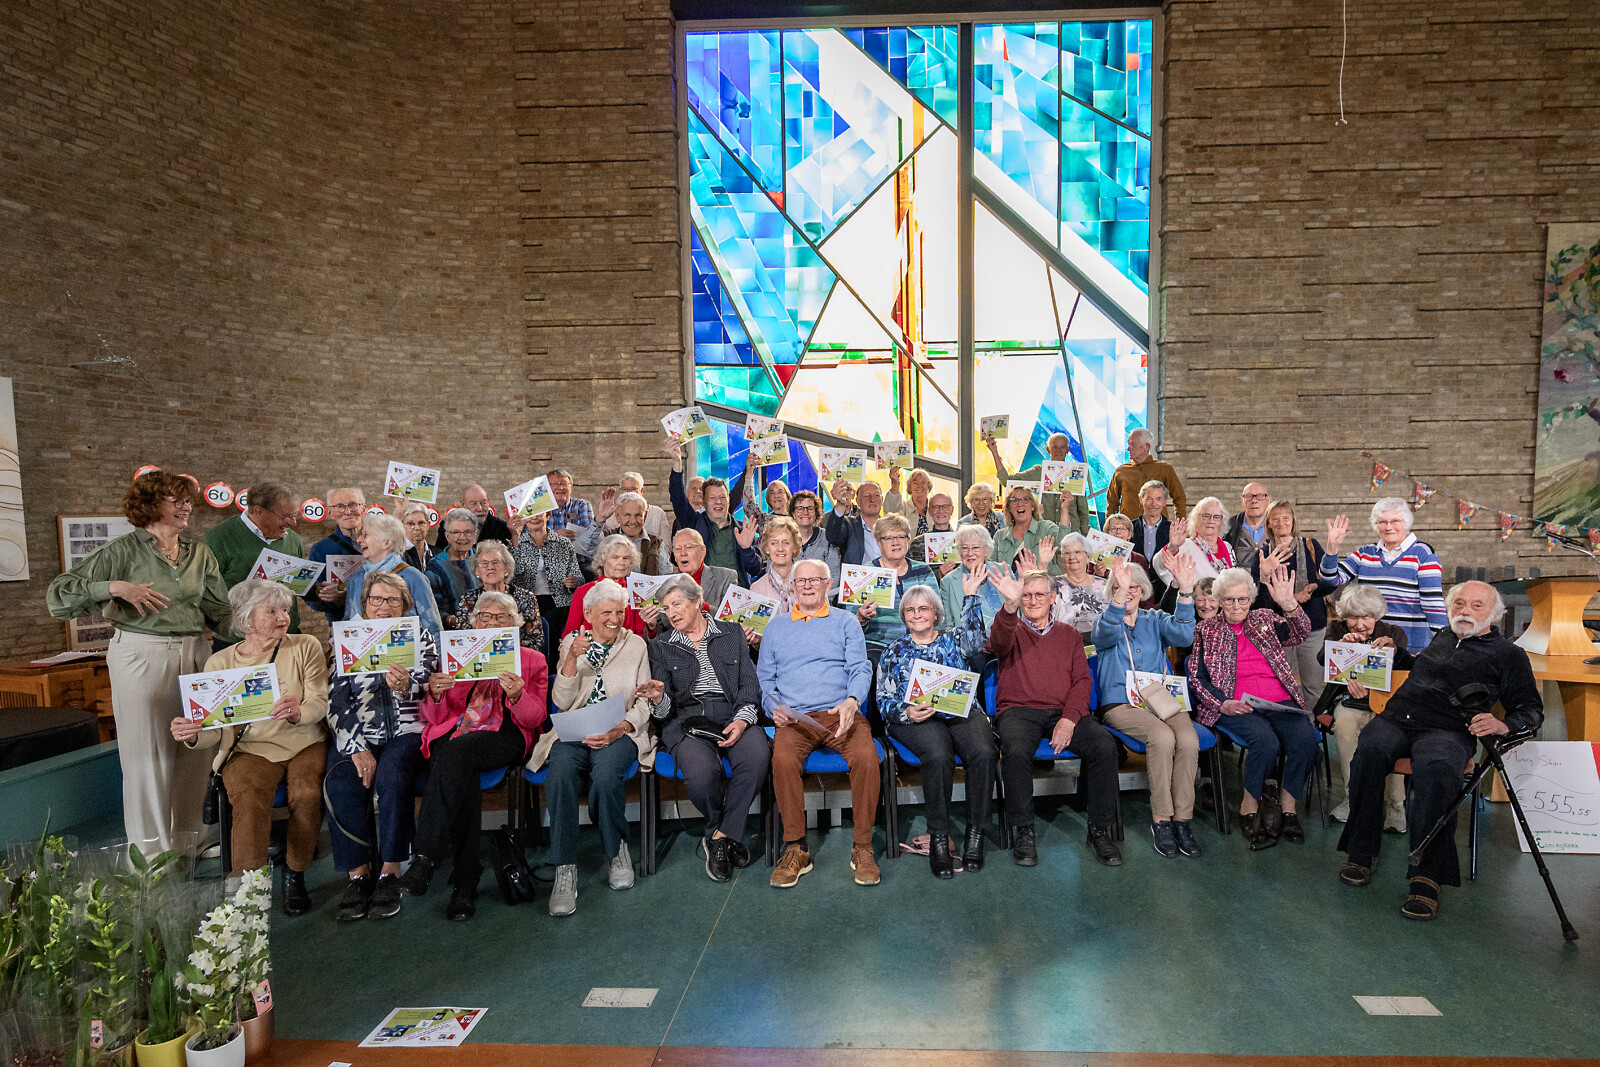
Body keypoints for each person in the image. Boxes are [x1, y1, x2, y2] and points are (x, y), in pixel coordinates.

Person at [47, 471, 231, 853]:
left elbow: (219, 612)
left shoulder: (199, 552)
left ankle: (191, 843)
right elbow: (58, 597)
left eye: (188, 500)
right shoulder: (122, 551)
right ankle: (151, 857)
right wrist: (114, 587)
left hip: (197, 651)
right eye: (176, 500)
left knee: (199, 748)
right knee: (148, 758)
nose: (186, 507)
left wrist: (261, 623)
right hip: (142, 654)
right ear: (150, 505)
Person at [1337, 582, 1542, 921]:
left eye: (1476, 605)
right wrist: (1396, 653)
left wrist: (1503, 724)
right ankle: (1361, 851)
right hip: (1399, 717)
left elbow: (1531, 710)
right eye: (1459, 603)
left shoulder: (1508, 654)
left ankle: (1427, 875)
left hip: (1448, 729)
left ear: (1494, 615)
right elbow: (1422, 671)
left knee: (1436, 768)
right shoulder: (1444, 637)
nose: (1465, 610)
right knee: (1369, 749)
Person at [169, 580, 328, 914]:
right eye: (271, 611)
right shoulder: (219, 663)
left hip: (304, 742)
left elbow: (319, 700)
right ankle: (248, 886)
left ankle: (295, 873)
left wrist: (300, 713)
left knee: (307, 793)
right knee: (250, 797)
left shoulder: (305, 646)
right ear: (246, 619)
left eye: (285, 610)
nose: (283, 618)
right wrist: (194, 734)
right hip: (250, 749)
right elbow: (213, 731)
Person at [399, 591, 548, 920]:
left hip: (504, 733)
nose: (492, 623)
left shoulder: (532, 660)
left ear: (514, 625)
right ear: (474, 622)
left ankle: (426, 858)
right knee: (458, 762)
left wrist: (518, 695)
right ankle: (465, 884)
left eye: (501, 618)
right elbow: (434, 717)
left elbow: (535, 719)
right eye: (485, 616)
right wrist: (435, 693)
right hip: (456, 731)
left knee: (454, 754)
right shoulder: (455, 655)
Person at [986, 567, 1122, 867]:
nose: (1032, 600)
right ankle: (1024, 830)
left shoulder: (1069, 635)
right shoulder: (1011, 628)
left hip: (1063, 712)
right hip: (1019, 711)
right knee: (1016, 751)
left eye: (1039, 595)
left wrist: (1069, 719)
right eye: (1026, 595)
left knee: (1104, 746)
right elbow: (997, 643)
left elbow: (1082, 681)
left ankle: (1100, 829)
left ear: (1053, 597)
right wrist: (1009, 605)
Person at [323, 572, 439, 922]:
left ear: (404, 605)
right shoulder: (348, 638)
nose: (384, 606)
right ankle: (357, 875)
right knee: (340, 781)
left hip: (408, 729)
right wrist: (355, 747)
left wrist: (406, 686)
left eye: (393, 600)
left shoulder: (419, 636)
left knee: (393, 777)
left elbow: (432, 686)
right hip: (358, 732)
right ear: (365, 603)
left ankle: (390, 870)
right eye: (377, 599)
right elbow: (335, 699)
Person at [758, 559, 880, 888]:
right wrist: (774, 707)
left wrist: (852, 700)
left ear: (828, 584)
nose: (808, 586)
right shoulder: (776, 627)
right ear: (792, 587)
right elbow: (765, 681)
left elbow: (861, 668)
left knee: (866, 757)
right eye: (801, 581)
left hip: (840, 712)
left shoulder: (846, 622)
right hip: (795, 717)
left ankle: (863, 846)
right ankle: (796, 848)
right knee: (783, 760)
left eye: (815, 580)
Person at [537, 579, 655, 916]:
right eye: (606, 613)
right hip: (575, 730)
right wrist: (571, 660)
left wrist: (619, 729)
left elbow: (644, 702)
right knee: (559, 775)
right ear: (588, 614)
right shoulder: (571, 643)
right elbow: (561, 701)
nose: (614, 619)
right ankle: (564, 867)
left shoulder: (636, 645)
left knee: (605, 776)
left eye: (619, 612)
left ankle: (616, 850)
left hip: (620, 730)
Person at [642, 575, 770, 881]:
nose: (671, 613)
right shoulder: (660, 645)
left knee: (757, 756)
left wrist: (742, 720)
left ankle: (720, 837)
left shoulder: (732, 632)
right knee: (702, 774)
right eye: (666, 608)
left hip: (732, 713)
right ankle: (720, 832)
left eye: (677, 604)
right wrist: (658, 698)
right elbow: (664, 712)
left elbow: (748, 686)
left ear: (697, 601)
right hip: (687, 721)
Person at [1187, 565, 1317, 850]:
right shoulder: (1206, 629)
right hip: (1235, 703)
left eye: (1243, 599)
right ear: (1219, 600)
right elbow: (1196, 678)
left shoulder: (1265, 618)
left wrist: (1289, 605)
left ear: (1251, 599)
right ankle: (1249, 805)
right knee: (1265, 742)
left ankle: (1288, 808)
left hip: (1278, 700)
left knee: (1305, 740)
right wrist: (1222, 703)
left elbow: (1300, 633)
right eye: (1229, 599)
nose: (1237, 606)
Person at [876, 579, 994, 877]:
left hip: (960, 712)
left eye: (923, 609)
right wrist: (907, 712)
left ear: (936, 613)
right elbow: (883, 700)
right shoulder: (893, 650)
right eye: (910, 610)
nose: (917, 614)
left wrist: (970, 595)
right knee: (939, 755)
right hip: (917, 718)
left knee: (983, 752)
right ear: (904, 616)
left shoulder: (955, 639)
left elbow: (976, 641)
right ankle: (939, 838)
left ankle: (975, 835)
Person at [1092, 558, 1202, 858]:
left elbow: (1184, 635)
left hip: (1160, 699)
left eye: (1133, 587)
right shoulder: (1104, 620)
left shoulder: (1155, 619)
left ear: (1142, 591)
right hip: (1121, 703)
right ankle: (1162, 820)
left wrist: (1185, 591)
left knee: (1189, 740)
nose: (1127, 592)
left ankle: (1182, 819)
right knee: (1162, 737)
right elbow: (1104, 635)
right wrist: (1118, 596)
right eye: (1119, 587)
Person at [1319, 585, 1413, 828]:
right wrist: (1340, 645)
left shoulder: (1393, 633)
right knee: (1345, 725)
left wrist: (1394, 651)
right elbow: (1322, 660)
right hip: (1349, 701)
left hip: (1386, 704)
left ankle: (1395, 803)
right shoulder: (1337, 629)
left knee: (1389, 735)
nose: (1359, 624)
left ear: (1377, 616)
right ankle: (1353, 798)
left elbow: (1406, 671)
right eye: (1353, 617)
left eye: (1367, 617)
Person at [1318, 497, 1446, 653]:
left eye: (1395, 521)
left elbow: (1432, 603)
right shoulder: (1366, 553)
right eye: (1382, 522)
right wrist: (1332, 548)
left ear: (1406, 523)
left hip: (1410, 644)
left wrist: (1445, 644)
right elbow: (1330, 579)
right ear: (1376, 525)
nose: (1388, 527)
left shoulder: (1423, 553)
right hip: (1371, 643)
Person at [1248, 499, 1336, 703]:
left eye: (1285, 518)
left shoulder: (1311, 546)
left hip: (1312, 626)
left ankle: (1314, 721)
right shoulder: (1262, 555)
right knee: (1282, 685)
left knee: (1314, 686)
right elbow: (1257, 604)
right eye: (1275, 519)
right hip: (1279, 630)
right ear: (1268, 524)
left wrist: (1315, 587)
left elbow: (1330, 584)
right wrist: (1285, 596)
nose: (1281, 523)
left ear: (1293, 521)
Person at [205, 481, 304, 643]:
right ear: (259, 511)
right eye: (286, 516)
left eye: (294, 515)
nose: (293, 523)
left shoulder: (293, 539)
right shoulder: (220, 537)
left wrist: (319, 591)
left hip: (285, 636)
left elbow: (300, 585)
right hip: (240, 640)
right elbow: (205, 592)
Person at [664, 438, 762, 582]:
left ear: (728, 501)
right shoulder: (694, 523)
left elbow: (755, 569)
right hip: (702, 591)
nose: (718, 502)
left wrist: (746, 548)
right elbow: (677, 497)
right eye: (712, 498)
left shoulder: (743, 530)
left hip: (736, 591)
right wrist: (677, 462)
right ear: (704, 502)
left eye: (722, 497)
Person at [343, 512, 443, 637]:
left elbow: (433, 628)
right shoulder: (356, 580)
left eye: (365, 535)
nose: (359, 540)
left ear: (386, 543)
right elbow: (348, 622)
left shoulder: (414, 578)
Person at [851, 514, 940, 654]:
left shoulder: (922, 571)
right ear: (879, 544)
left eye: (900, 537)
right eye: (888, 538)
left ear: (908, 540)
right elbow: (851, 625)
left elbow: (937, 613)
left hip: (920, 644)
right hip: (878, 646)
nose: (895, 543)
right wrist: (861, 619)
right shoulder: (865, 574)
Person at [984, 432, 1091, 534]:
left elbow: (1083, 511)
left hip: (1070, 535)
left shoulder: (1076, 474)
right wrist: (994, 452)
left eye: (1062, 447)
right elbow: (1006, 481)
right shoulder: (1038, 472)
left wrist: (1084, 536)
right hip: (1045, 535)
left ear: (1068, 450)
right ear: (1048, 450)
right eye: (1055, 447)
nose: (1058, 450)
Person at [508, 509, 584, 643]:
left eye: (538, 514)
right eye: (529, 515)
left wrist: (574, 581)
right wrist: (515, 536)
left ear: (547, 516)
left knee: (549, 623)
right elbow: (514, 576)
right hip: (527, 601)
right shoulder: (516, 543)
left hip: (559, 601)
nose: (534, 518)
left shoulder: (564, 543)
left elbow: (579, 577)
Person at [456, 540, 544, 653]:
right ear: (476, 571)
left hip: (516, 656)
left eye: (496, 562)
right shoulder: (468, 599)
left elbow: (534, 639)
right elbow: (463, 637)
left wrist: (506, 653)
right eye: (484, 563)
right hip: (478, 657)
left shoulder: (526, 598)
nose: (490, 567)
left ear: (507, 568)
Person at [564, 534, 648, 639]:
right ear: (602, 561)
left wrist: (651, 626)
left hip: (626, 647)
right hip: (589, 647)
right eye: (615, 557)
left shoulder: (636, 592)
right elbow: (570, 632)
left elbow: (641, 635)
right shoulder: (583, 591)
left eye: (626, 558)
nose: (621, 563)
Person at [1025, 533, 1108, 635]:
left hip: (1099, 641)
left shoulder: (1104, 585)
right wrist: (1043, 564)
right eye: (1067, 553)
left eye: (1077, 552)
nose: (1072, 557)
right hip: (1062, 640)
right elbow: (1036, 598)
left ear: (1088, 557)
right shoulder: (1054, 584)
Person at [306, 487, 367, 622]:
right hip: (341, 623)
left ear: (363, 509)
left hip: (382, 621)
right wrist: (325, 597)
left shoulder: (382, 542)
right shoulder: (320, 550)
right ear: (330, 513)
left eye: (353, 505)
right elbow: (312, 599)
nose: (348, 512)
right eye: (340, 506)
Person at [1153, 498, 1235, 592]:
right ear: (1196, 518)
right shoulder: (1185, 545)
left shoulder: (1227, 546)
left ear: (1221, 521)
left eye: (1216, 517)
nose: (1211, 521)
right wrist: (1172, 547)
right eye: (1206, 516)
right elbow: (1158, 565)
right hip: (1194, 599)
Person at [1105, 428, 1185, 522]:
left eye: (1133, 444)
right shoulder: (1121, 472)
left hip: (1158, 527)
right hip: (1129, 528)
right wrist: (1109, 526)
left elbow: (1179, 498)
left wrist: (1180, 523)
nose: (1128, 448)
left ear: (1146, 447)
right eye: (1128, 444)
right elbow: (1112, 504)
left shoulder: (1164, 469)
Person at [580, 491, 670, 574]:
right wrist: (600, 519)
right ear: (618, 517)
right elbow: (585, 546)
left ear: (645, 516)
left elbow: (666, 576)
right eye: (627, 515)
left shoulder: (656, 543)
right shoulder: (606, 538)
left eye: (638, 515)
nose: (633, 521)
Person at [668, 529, 740, 625]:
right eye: (677, 549)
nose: (683, 553)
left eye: (689, 547)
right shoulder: (665, 582)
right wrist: (652, 627)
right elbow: (660, 626)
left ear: (703, 551)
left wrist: (702, 605)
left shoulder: (726, 577)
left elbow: (730, 620)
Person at [940, 524, 1004, 632]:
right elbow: (947, 626)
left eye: (975, 548)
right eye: (965, 548)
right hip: (968, 641)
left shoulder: (1002, 571)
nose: (970, 553)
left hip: (1007, 638)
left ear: (986, 550)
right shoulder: (948, 581)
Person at [428, 508, 480, 630]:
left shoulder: (483, 560)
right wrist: (451, 620)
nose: (462, 537)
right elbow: (434, 608)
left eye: (468, 532)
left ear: (475, 535)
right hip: (453, 632)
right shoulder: (435, 566)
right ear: (447, 536)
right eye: (456, 532)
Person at [992, 485, 1059, 571]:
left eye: (1026, 499)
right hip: (1008, 580)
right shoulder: (1000, 536)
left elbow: (1064, 546)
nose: (1020, 504)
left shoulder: (1046, 528)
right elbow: (992, 566)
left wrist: (1065, 508)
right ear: (1009, 508)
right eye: (1014, 500)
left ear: (1033, 506)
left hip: (1042, 579)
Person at [430, 483, 511, 550]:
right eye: (473, 503)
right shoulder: (448, 525)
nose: (479, 508)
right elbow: (440, 553)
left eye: (483, 503)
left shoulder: (501, 527)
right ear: (463, 505)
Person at [750, 515, 804, 617]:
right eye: (774, 543)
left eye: (786, 543)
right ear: (767, 548)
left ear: (795, 547)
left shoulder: (811, 582)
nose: (780, 549)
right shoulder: (757, 588)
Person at [824, 479, 884, 570]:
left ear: (882, 500)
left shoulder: (891, 526)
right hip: (857, 577)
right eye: (866, 496)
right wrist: (840, 504)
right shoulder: (848, 524)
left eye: (876, 495)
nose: (872, 499)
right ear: (858, 501)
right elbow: (833, 538)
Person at [1100, 513, 1154, 608]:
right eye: (1113, 528)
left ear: (1129, 534)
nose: (1118, 532)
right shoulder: (1098, 557)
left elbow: (1146, 588)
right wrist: (1098, 574)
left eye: (1122, 528)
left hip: (1135, 606)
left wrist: (1145, 612)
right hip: (1106, 605)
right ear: (1107, 533)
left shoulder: (1140, 559)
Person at [1131, 481, 1173, 605]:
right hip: (1133, 593)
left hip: (1164, 594)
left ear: (1164, 502)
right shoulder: (1129, 528)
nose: (1154, 504)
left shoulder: (1173, 530)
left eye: (1158, 499)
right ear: (1141, 499)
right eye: (1149, 499)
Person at [606, 471, 672, 543]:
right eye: (625, 489)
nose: (629, 492)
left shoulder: (658, 514)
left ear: (641, 490)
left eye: (633, 489)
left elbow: (666, 545)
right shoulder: (612, 516)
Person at [908, 493, 959, 579]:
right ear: (929, 511)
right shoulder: (918, 543)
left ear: (952, 510)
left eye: (945, 507)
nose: (941, 511)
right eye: (935, 507)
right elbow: (916, 576)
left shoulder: (962, 540)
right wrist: (938, 574)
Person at [1225, 482, 1273, 566]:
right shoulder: (1229, 528)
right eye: (1249, 496)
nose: (1254, 501)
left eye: (1260, 496)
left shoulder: (1276, 527)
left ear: (1268, 500)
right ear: (1242, 501)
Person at [544, 469, 595, 544]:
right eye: (555, 484)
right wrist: (554, 535)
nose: (560, 488)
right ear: (547, 488)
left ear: (571, 488)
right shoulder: (540, 508)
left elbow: (590, 533)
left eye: (564, 483)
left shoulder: (581, 505)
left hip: (576, 551)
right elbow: (530, 534)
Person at [884, 467, 934, 534]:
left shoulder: (935, 508)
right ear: (910, 487)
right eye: (915, 483)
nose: (919, 486)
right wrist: (896, 484)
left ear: (929, 486)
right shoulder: (903, 508)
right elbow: (890, 514)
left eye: (923, 482)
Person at [788, 490, 830, 563]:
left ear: (816, 513)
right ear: (793, 514)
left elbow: (834, 568)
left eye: (810, 508)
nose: (805, 512)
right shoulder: (783, 537)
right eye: (800, 508)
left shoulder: (827, 538)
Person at [399, 501, 434, 572]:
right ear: (402, 526)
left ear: (428, 525)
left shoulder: (437, 553)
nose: (416, 528)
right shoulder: (397, 554)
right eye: (410, 524)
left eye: (421, 523)